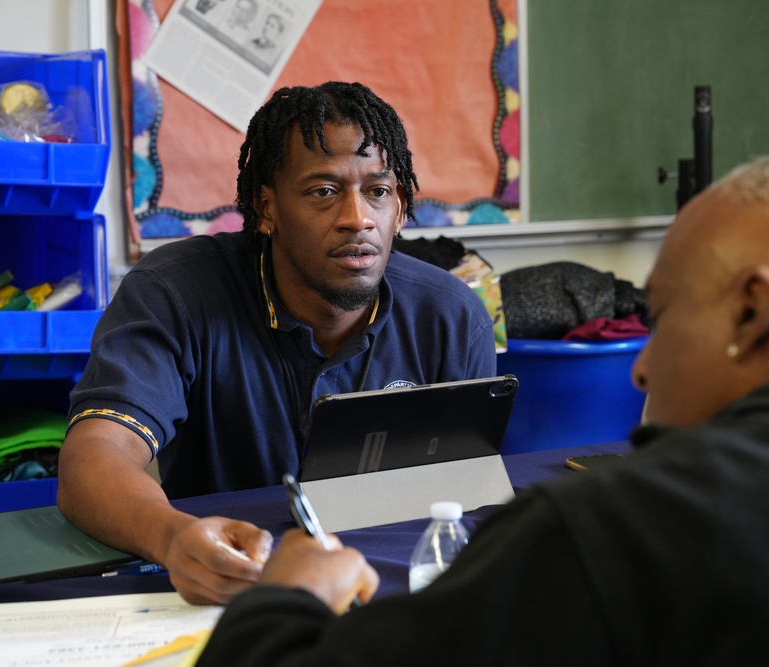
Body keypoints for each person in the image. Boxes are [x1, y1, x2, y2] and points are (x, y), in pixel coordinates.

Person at [196, 149, 769, 665]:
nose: (641, 367)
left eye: (663, 320)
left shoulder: (631, 524)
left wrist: (287, 596)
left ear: (752, 312)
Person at [57, 82, 497, 605]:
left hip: (392, 600)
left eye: (377, 191)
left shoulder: (451, 315)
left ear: (399, 207)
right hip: (232, 592)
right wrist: (172, 538)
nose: (357, 218)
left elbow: (465, 498)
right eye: (323, 191)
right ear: (266, 209)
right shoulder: (175, 292)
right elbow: (95, 455)